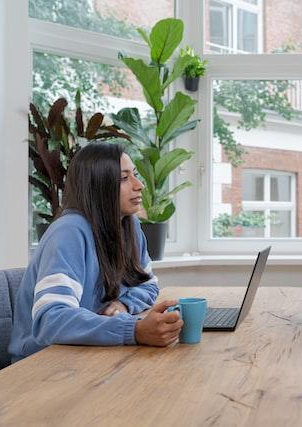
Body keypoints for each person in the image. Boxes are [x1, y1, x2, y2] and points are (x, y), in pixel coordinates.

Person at [9, 143, 183, 362]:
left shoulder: (130, 226)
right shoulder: (69, 232)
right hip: (42, 364)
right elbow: (50, 320)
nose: (139, 186)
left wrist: (124, 304)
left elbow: (147, 284)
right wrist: (133, 330)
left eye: (135, 175)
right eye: (124, 178)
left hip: (90, 353)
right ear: (98, 186)